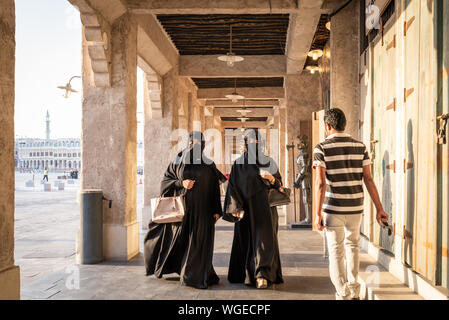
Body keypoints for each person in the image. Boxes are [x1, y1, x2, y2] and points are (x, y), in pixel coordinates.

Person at [313, 108, 389, 300]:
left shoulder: (321, 148)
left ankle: (342, 292)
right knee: (353, 246)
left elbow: (320, 183)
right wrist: (379, 208)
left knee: (336, 250)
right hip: (356, 207)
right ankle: (354, 289)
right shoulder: (361, 147)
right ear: (344, 125)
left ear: (327, 126)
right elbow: (369, 179)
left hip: (334, 208)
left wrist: (317, 214)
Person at [143, 131, 227, 289]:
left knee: (199, 242)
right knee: (183, 241)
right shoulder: (178, 160)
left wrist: (216, 209)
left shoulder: (208, 163)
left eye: (198, 143)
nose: (194, 146)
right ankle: (186, 272)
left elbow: (215, 187)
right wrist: (182, 183)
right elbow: (165, 182)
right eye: (191, 142)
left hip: (203, 211)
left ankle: (194, 275)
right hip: (183, 210)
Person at [224, 129, 283, 289]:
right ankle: (245, 274)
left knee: (264, 242)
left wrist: (271, 178)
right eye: (250, 142)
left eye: (257, 142)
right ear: (245, 144)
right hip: (245, 212)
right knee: (246, 241)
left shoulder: (269, 162)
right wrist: (235, 207)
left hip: (266, 211)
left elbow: (280, 186)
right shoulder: (238, 164)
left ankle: (262, 275)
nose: (254, 144)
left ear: (261, 143)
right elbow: (232, 188)